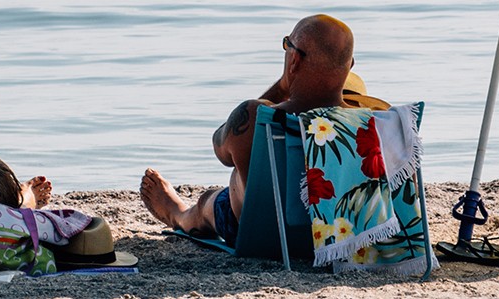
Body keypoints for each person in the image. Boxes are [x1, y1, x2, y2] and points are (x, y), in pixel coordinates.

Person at [139, 14, 392, 244]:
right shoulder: (379, 124)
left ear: (295, 59)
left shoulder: (254, 116)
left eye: (287, 45)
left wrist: (283, 85)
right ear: (350, 66)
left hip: (271, 237)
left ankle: (179, 214)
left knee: (211, 201)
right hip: (346, 237)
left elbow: (220, 149)